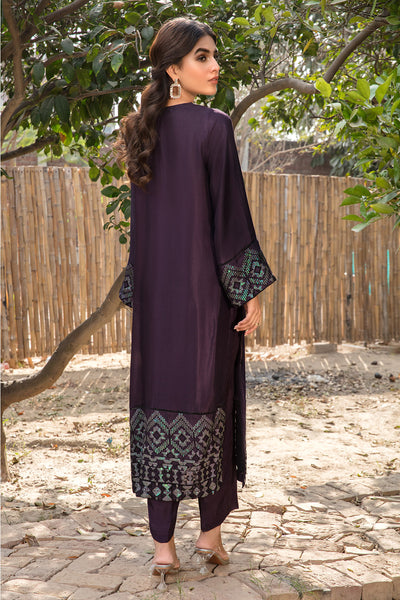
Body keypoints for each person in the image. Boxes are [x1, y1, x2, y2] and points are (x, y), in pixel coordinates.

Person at [115, 16, 276, 590]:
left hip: (157, 302)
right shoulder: (213, 126)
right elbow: (228, 216)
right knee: (212, 401)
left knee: (157, 402)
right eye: (202, 57)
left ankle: (165, 548)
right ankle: (209, 535)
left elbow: (142, 227)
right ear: (173, 68)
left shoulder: (140, 130)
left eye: (214, 56)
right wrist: (247, 288)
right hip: (206, 298)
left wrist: (138, 288)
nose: (214, 66)